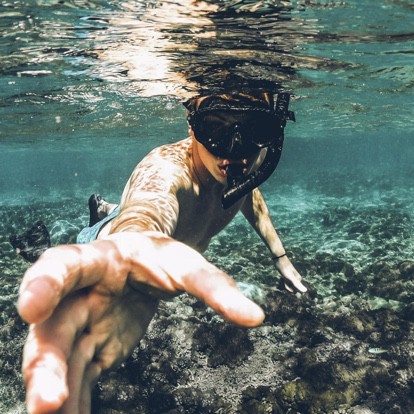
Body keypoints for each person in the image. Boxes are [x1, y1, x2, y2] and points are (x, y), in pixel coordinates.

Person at [17, 92, 307, 414]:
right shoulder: (167, 169)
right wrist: (131, 243)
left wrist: (280, 258)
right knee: (75, 249)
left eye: (256, 128)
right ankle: (69, 233)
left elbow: (248, 194)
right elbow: (147, 210)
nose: (235, 149)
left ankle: (107, 209)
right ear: (192, 125)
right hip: (110, 240)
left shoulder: (244, 165)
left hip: (161, 236)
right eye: (216, 128)